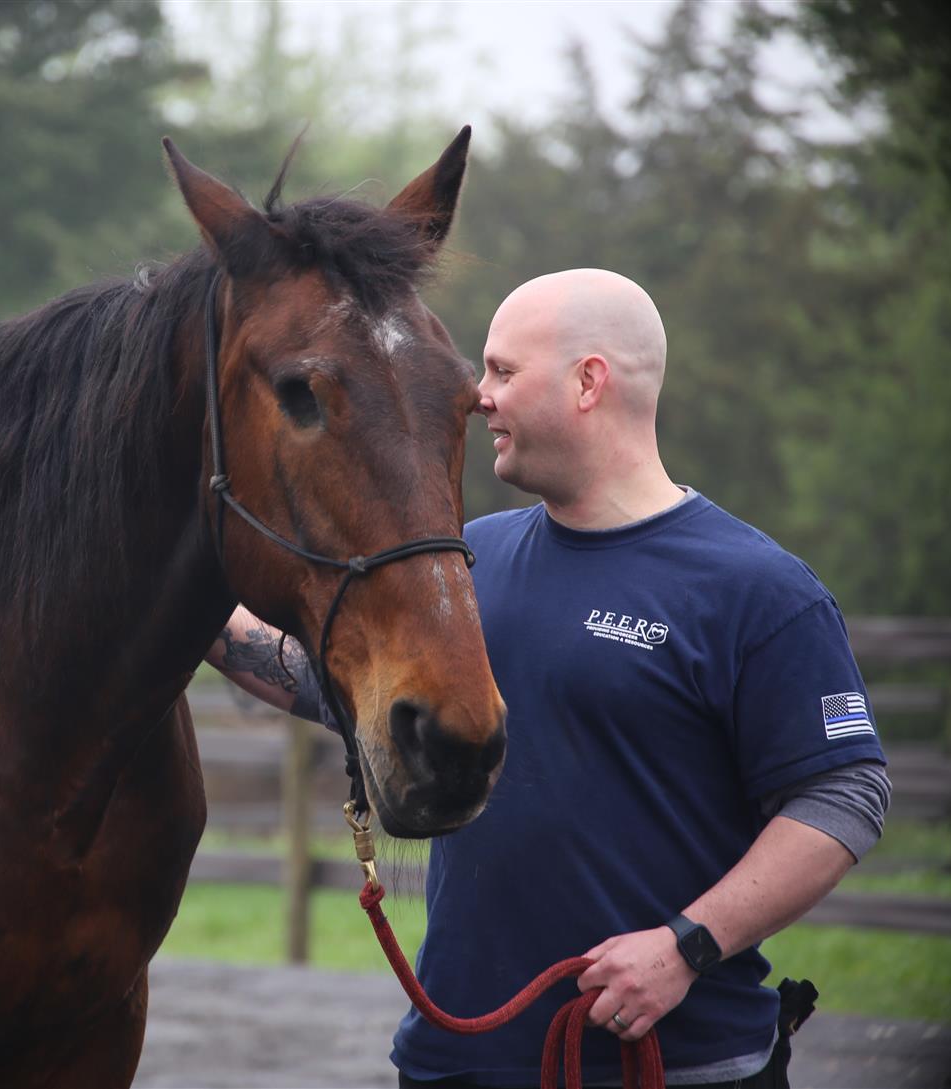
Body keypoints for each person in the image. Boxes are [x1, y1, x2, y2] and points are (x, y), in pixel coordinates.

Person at [207, 269, 891, 1088]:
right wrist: (192, 615)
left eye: (502, 370)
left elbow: (844, 793)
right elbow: (339, 684)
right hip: (454, 1061)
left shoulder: (757, 589)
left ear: (588, 382)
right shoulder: (473, 559)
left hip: (672, 1064)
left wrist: (685, 946)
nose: (478, 396)